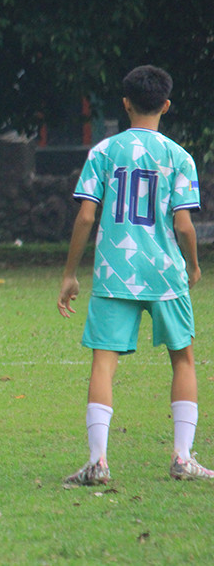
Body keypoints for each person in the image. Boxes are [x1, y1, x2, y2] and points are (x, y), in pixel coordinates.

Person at [58, 65, 212, 484]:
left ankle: (98, 461)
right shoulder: (179, 156)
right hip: (164, 274)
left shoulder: (104, 152)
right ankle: (182, 457)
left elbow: (87, 216)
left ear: (125, 103)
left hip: (113, 273)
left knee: (103, 364)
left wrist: (71, 273)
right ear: (165, 104)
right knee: (182, 359)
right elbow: (183, 225)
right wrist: (193, 266)